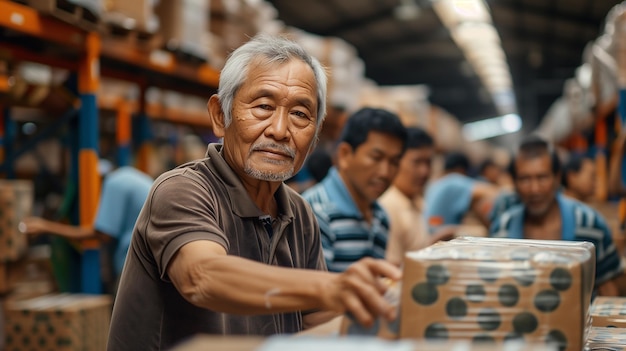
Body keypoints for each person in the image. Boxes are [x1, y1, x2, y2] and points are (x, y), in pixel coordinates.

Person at [107, 35, 400, 350]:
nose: (279, 130)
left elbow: (317, 321)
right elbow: (202, 276)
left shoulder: (299, 214)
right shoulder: (182, 190)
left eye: (300, 114)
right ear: (221, 116)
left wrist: (391, 307)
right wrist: (331, 286)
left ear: (315, 138)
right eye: (263, 106)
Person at [490, 135, 622, 296]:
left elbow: (609, 288)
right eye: (525, 179)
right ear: (514, 182)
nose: (534, 189)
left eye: (542, 177)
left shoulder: (589, 224)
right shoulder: (502, 230)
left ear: (557, 177)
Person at [302, 107, 407, 272]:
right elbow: (315, 290)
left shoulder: (380, 217)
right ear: (344, 155)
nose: (385, 172)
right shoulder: (315, 213)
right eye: (376, 157)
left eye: (394, 162)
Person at [20, 165, 154, 292]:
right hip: (152, 263)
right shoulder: (130, 177)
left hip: (138, 267)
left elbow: (102, 234)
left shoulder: (113, 183)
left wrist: (45, 226)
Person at [378, 127, 453, 266]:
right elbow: (391, 268)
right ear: (398, 161)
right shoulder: (388, 207)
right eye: (417, 162)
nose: (424, 171)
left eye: (428, 163)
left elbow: (413, 252)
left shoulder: (417, 201)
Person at [423, 151, 500, 234]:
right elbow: (490, 192)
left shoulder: (434, 184)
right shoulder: (453, 180)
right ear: (461, 170)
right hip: (438, 235)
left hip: (429, 232)